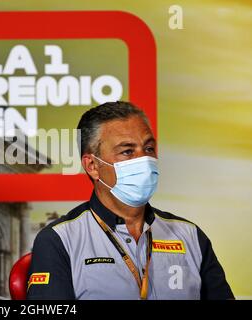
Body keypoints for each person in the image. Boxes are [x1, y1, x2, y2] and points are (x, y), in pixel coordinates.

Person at [27, 101, 234, 300]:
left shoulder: (190, 236)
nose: (144, 159)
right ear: (92, 166)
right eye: (127, 151)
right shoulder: (59, 240)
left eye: (149, 149)